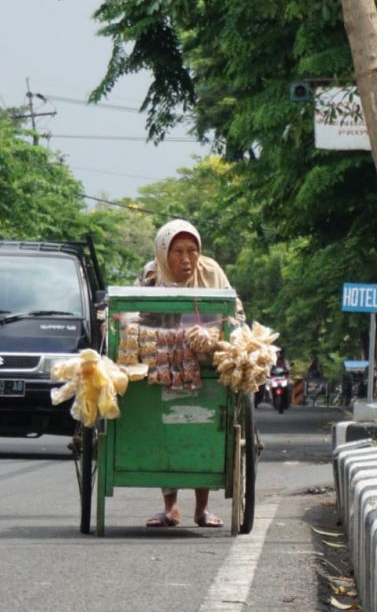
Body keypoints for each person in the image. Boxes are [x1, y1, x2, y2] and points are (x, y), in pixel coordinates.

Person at [140, 219, 238, 528]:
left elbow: (235, 310)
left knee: (204, 431)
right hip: (164, 363)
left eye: (192, 251)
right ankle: (171, 508)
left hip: (207, 363)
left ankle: (202, 509)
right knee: (165, 430)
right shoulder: (152, 275)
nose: (186, 259)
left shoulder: (211, 272)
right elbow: (136, 315)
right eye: (178, 251)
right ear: (163, 252)